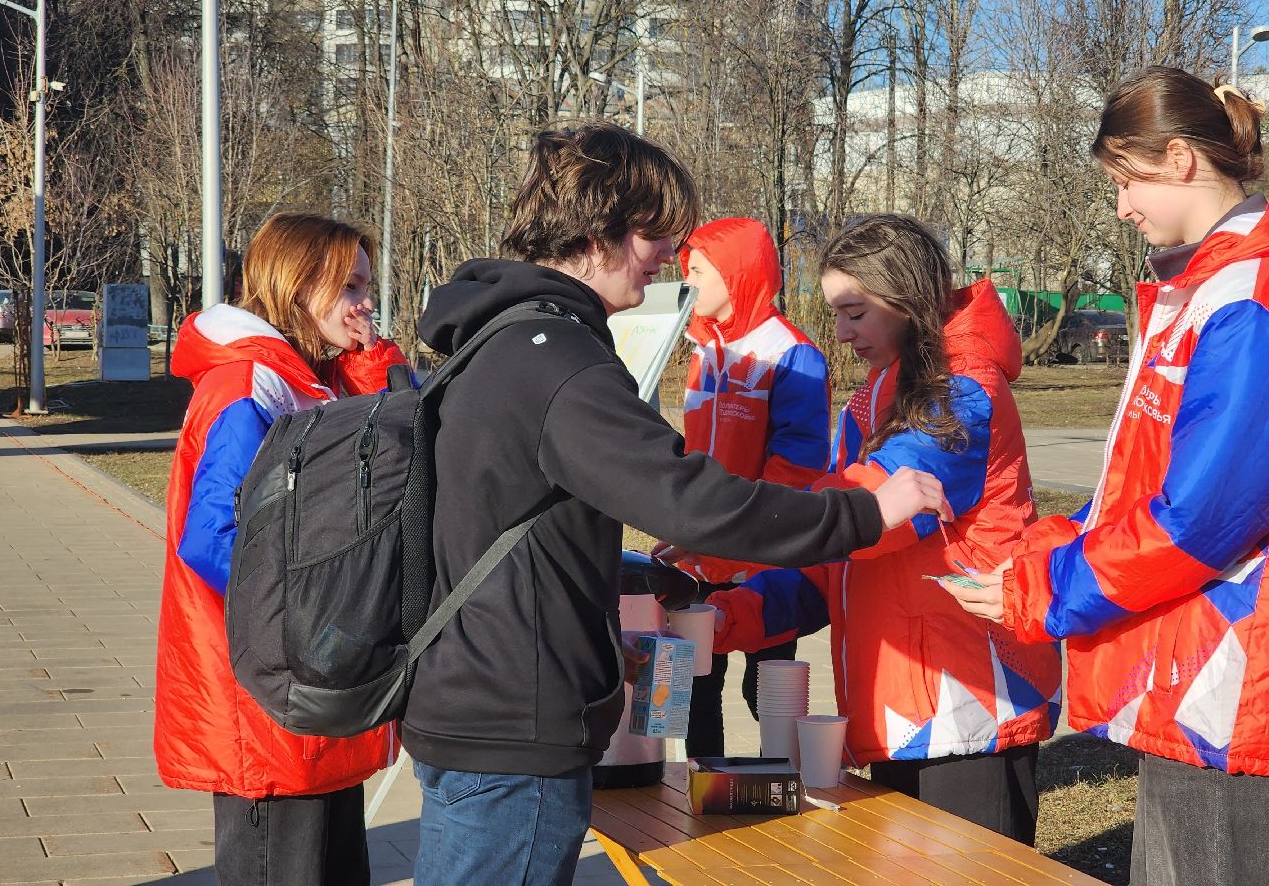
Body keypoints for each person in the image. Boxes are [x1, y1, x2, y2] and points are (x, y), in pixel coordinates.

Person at [402, 122, 946, 886]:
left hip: (476, 708)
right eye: (658, 235)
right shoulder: (558, 361)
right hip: (512, 732)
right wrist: (863, 514)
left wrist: (613, 594)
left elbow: (522, 523)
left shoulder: (499, 339)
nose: (669, 258)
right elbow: (689, 496)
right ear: (600, 233)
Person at [945, 66, 1269, 885]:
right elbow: (1138, 488)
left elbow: (1198, 519)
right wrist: (1038, 552)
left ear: (1181, 159)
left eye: (1125, 181)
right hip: (1189, 667)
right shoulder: (1206, 292)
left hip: (1231, 675)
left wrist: (1043, 591)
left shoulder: (1257, 302)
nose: (1120, 208)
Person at [709, 214, 1063, 843]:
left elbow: (868, 519)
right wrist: (726, 616)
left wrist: (730, 520)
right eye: (835, 314)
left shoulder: (963, 395)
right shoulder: (869, 402)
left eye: (854, 313)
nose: (841, 333)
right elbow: (832, 565)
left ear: (905, 299)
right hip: (900, 701)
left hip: (967, 701)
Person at [153, 213, 410, 885]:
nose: (365, 303)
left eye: (366, 285)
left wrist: (371, 359)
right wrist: (321, 623)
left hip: (317, 697)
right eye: (350, 286)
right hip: (273, 702)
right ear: (297, 287)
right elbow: (212, 541)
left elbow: (397, 453)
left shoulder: (309, 378)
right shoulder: (250, 386)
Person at [650, 217, 831, 757]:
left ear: (738, 275)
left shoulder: (791, 353)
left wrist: (737, 534)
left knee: (768, 687)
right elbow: (697, 447)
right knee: (696, 684)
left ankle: (794, 787)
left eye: (699, 272)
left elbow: (797, 467)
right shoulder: (703, 349)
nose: (689, 283)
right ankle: (704, 792)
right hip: (701, 550)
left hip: (764, 552)